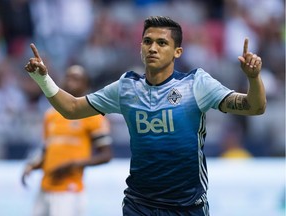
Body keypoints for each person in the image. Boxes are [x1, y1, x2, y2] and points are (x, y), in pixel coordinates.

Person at [24, 16, 266, 216]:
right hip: (139, 205)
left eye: (162, 43)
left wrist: (253, 78)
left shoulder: (197, 83)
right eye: (147, 41)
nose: (152, 48)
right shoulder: (127, 87)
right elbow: (73, 109)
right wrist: (43, 79)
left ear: (177, 51)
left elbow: (254, 107)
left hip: (187, 206)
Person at [21, 65, 113, 216]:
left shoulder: (93, 115)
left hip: (69, 190)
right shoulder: (50, 114)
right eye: (68, 77)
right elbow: (47, 149)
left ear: (86, 85)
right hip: (45, 185)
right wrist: (32, 165)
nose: (70, 81)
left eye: (76, 78)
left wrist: (73, 164)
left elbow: (106, 155)